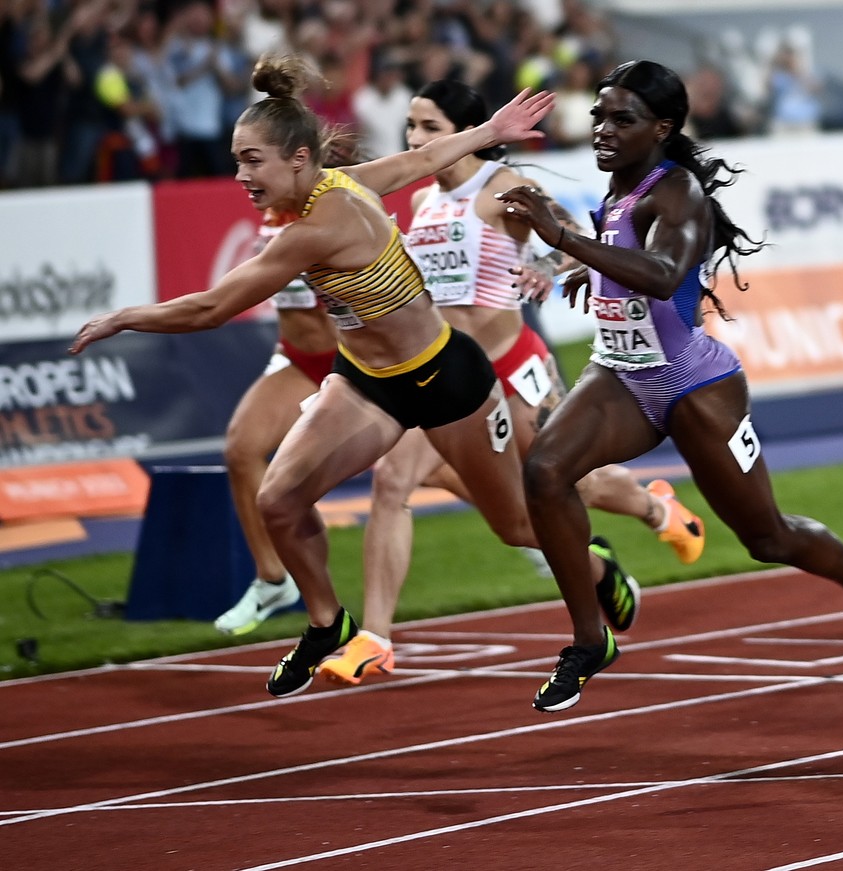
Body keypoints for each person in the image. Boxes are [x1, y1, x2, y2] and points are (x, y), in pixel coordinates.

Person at [69, 54, 621, 702]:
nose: (241, 174)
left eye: (253, 160)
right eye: (238, 158)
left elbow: (213, 307)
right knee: (278, 500)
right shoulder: (340, 182)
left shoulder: (318, 224)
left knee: (517, 526)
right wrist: (486, 129)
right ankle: (330, 622)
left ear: (299, 159)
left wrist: (126, 316)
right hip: (366, 380)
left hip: (448, 380)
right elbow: (416, 163)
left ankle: (596, 606)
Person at [498, 59, 843, 715]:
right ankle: (588, 638)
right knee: (545, 470)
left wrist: (565, 241)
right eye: (599, 116)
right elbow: (633, 264)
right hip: (620, 373)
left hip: (694, 384)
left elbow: (665, 274)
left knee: (767, 538)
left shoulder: (678, 191)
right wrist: (598, 275)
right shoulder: (619, 189)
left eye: (622, 119)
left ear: (663, 127)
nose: (603, 130)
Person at [315, 78, 707, 686]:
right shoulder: (421, 204)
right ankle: (376, 638)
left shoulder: (504, 190)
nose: (416, 139)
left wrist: (548, 265)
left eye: (429, 129)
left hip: (512, 364)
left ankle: (657, 510)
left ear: (465, 134)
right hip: (447, 373)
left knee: (570, 480)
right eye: (412, 128)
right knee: (395, 479)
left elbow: (592, 240)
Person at [212, 207, 336, 636]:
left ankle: (527, 530)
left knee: (433, 467)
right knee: (241, 448)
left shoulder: (340, 206)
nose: (247, 175)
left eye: (255, 161)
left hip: (359, 361)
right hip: (299, 361)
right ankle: (272, 580)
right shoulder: (269, 214)